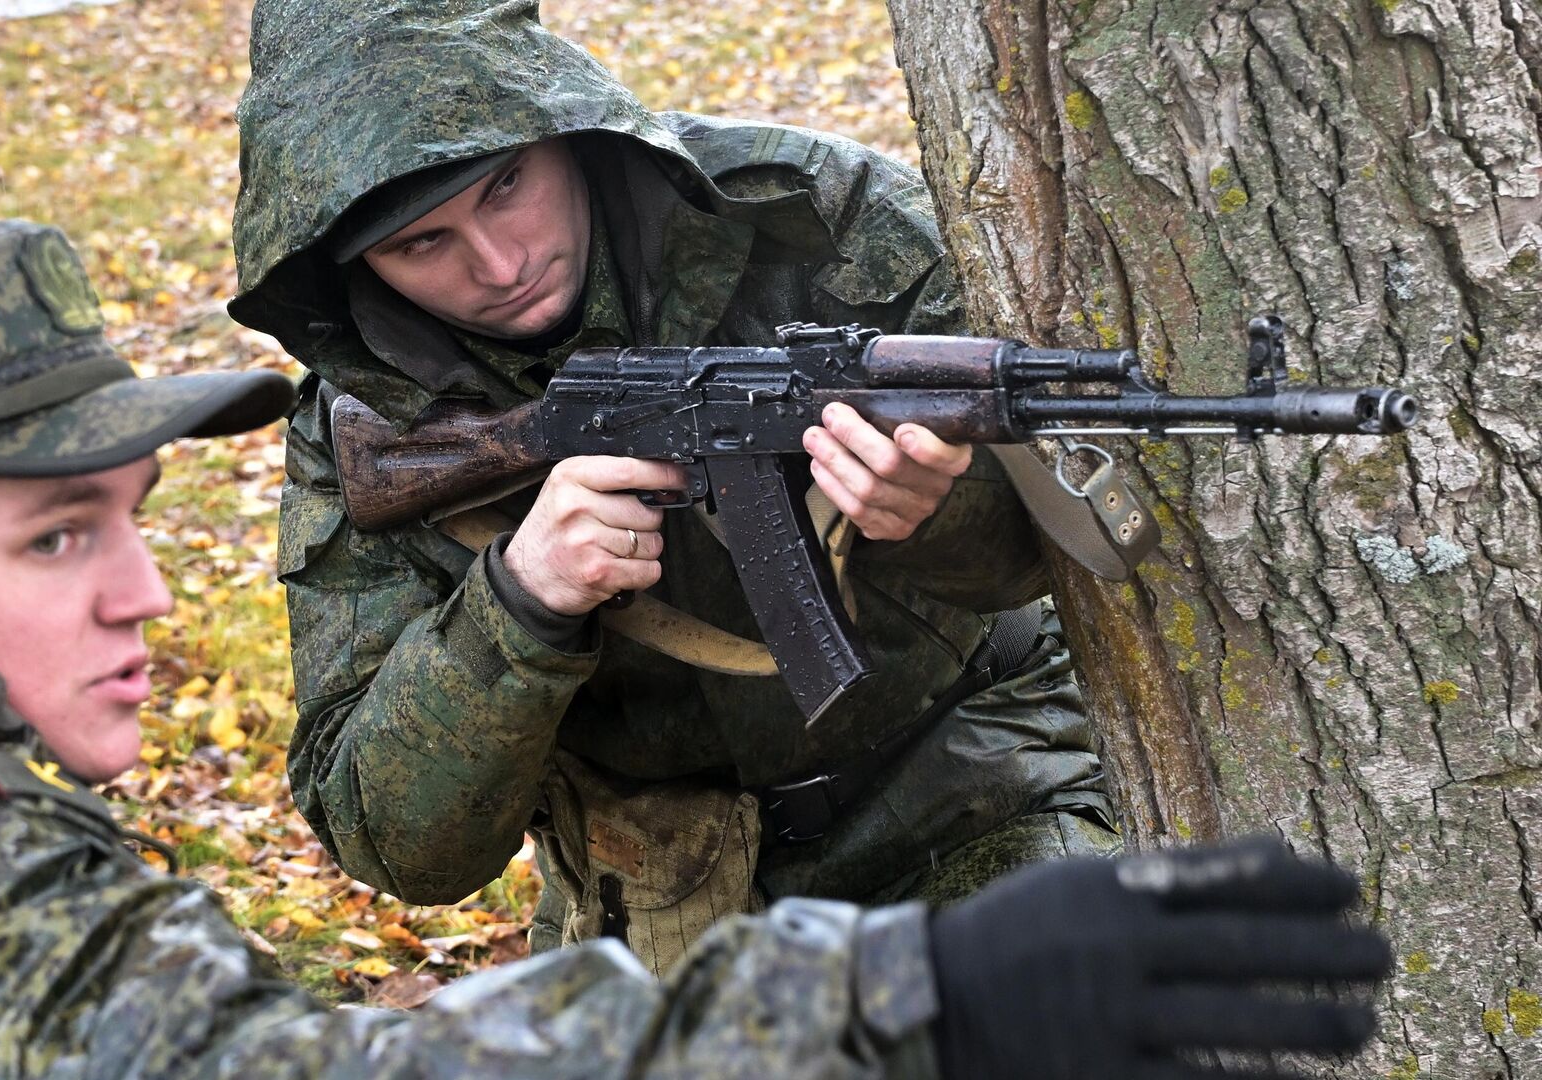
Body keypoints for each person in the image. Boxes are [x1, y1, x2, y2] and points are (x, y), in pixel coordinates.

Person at [0, 220, 1390, 1077]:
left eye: (139, 517)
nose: (147, 595)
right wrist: (915, 999)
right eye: (57, 535)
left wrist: (915, 514)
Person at [229, 0, 1119, 969]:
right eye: (421, 245)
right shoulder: (368, 423)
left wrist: (940, 510)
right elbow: (394, 841)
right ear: (351, 269)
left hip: (971, 794)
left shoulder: (815, 216)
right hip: (650, 899)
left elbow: (1071, 548)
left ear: (562, 127)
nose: (499, 263)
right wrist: (520, 601)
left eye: (504, 187)